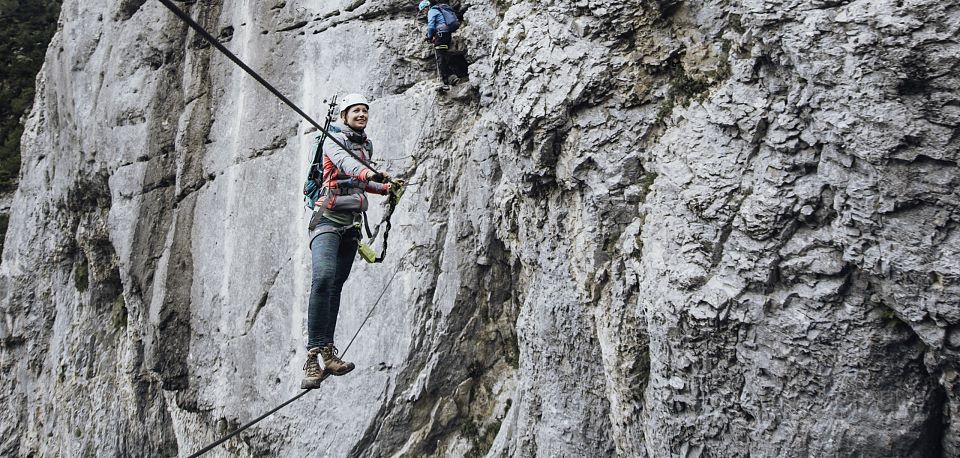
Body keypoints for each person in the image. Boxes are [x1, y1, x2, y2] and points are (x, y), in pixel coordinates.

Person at [302, 93, 393, 389]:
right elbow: (346, 164)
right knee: (323, 278)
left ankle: (328, 353)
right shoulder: (332, 138)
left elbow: (361, 180)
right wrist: (371, 173)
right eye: (356, 110)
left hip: (351, 224)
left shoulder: (365, 145)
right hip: (327, 220)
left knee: (335, 286)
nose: (362, 114)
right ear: (344, 116)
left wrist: (384, 187)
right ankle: (312, 358)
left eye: (365, 110)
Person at [419, 0, 458, 91]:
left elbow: (431, 26)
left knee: (440, 58)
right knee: (443, 56)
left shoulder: (432, 11)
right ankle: (451, 78)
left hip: (440, 36)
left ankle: (446, 81)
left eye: (423, 10)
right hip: (446, 35)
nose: (424, 12)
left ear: (427, 7)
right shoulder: (438, 10)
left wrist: (429, 36)